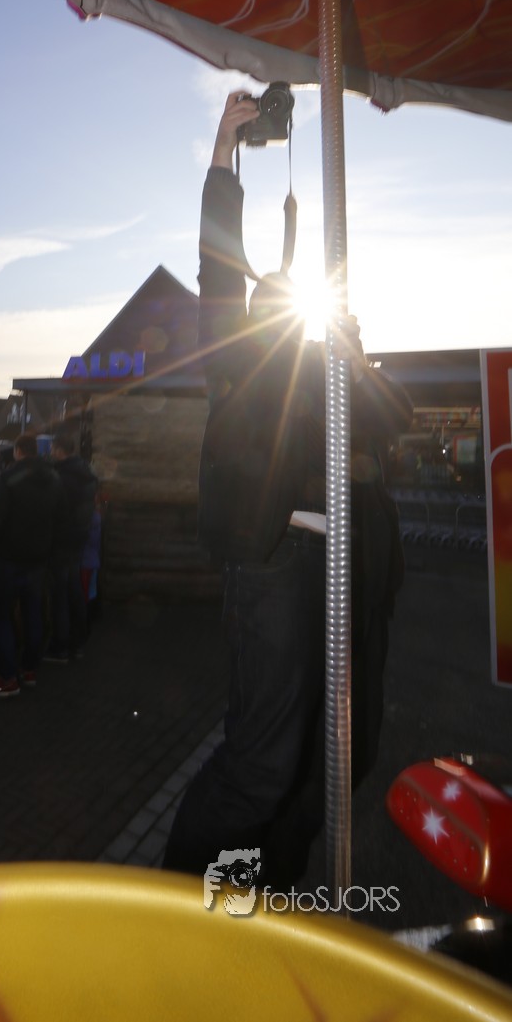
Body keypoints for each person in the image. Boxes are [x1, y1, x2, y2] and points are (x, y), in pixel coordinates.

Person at [162, 91, 412, 889]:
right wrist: (222, 152)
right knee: (264, 761)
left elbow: (395, 418)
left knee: (339, 757)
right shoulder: (236, 360)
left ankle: (262, 897)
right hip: (275, 561)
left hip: (349, 563)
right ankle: (173, 900)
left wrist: (352, 353)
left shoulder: (327, 369)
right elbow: (216, 261)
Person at [0, 432, 65, 698]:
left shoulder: (10, 478)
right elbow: (59, 518)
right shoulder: (53, 478)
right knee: (33, 613)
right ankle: (29, 669)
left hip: (9, 557)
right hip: (38, 558)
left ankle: (7, 676)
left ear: (18, 451)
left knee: (0, 614)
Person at [46, 431, 98, 662]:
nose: (50, 452)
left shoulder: (62, 477)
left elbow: (54, 509)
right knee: (75, 592)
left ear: (59, 450)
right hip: (78, 539)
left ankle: (60, 646)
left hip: (61, 540)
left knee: (60, 596)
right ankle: (78, 643)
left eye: (52, 449)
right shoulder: (86, 473)